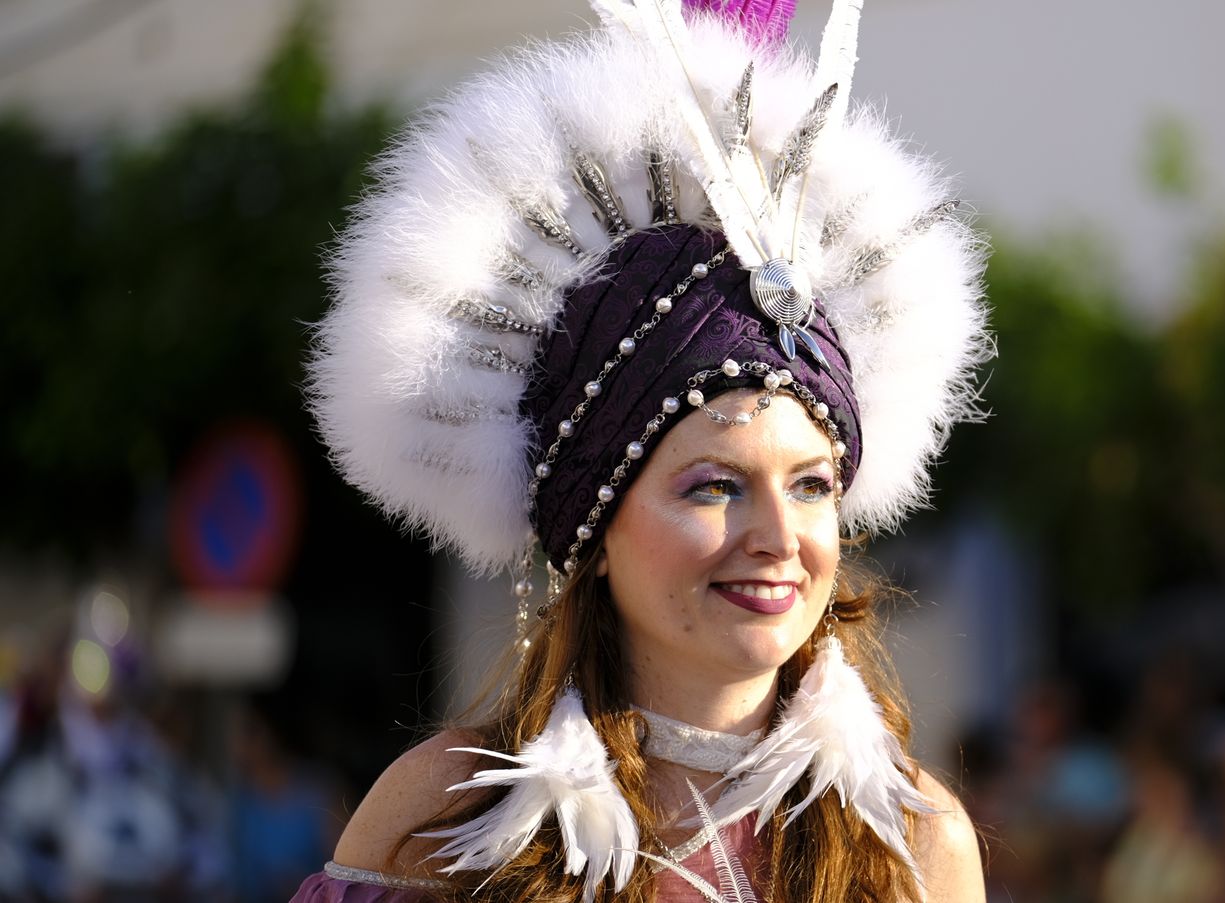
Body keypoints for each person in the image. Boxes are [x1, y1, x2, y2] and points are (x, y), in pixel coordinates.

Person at [293, 0, 990, 899]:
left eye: (812, 483)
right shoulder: (441, 822)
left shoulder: (913, 847)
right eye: (714, 486)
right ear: (597, 521)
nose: (781, 535)